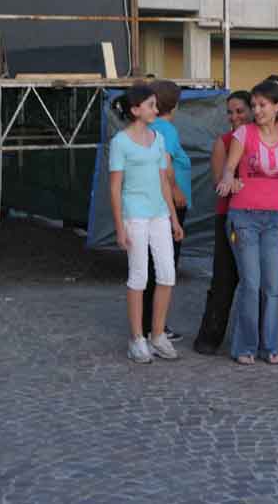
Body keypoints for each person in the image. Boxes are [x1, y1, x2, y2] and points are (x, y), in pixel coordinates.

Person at [216, 81, 278, 365]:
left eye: (263, 105)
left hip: (274, 218)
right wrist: (228, 180)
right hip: (243, 216)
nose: (257, 110)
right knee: (251, 283)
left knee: (272, 287)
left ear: (277, 106)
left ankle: (271, 346)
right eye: (254, 105)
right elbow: (228, 168)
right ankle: (245, 346)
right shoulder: (243, 133)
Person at [108, 83, 184, 364]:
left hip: (159, 214)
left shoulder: (158, 138)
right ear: (135, 109)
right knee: (139, 276)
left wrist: (173, 218)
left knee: (167, 274)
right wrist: (120, 227)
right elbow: (115, 188)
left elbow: (163, 181)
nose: (155, 109)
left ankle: (158, 334)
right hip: (135, 215)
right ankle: (137, 338)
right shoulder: (120, 142)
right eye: (150, 105)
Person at [193, 91, 252, 355]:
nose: (234, 116)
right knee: (224, 279)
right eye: (230, 112)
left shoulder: (265, 138)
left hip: (261, 216)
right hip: (228, 215)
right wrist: (236, 183)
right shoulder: (224, 142)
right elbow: (219, 183)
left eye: (240, 111)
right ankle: (210, 336)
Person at [139, 80, 192, 343]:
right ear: (175, 104)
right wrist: (175, 190)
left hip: (152, 202)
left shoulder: (148, 127)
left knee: (150, 265)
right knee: (164, 267)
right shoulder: (166, 129)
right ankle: (155, 326)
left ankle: (146, 323)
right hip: (169, 204)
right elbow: (166, 164)